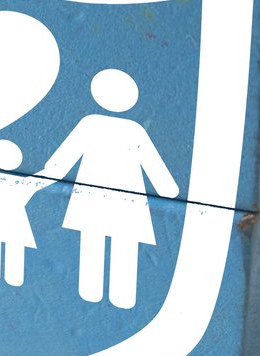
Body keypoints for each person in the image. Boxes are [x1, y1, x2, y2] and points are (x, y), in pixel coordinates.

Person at [39, 69, 178, 309]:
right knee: (121, 244)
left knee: (93, 241)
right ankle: (120, 297)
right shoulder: (133, 129)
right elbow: (154, 167)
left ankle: (91, 292)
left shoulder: (91, 124)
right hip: (126, 201)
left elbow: (62, 159)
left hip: (93, 198)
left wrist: (47, 174)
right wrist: (168, 189)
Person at [0, 139, 52, 287]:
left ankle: (3, 285)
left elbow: (40, 182)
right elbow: (39, 183)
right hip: (5, 222)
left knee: (3, 262)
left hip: (1, 222)